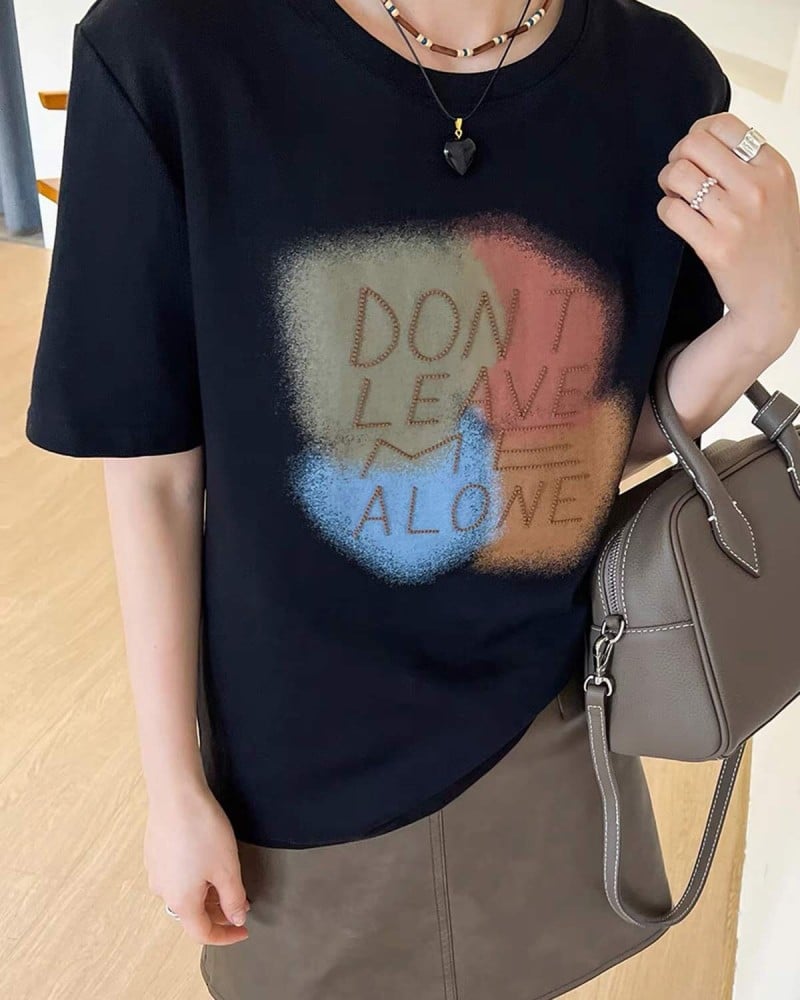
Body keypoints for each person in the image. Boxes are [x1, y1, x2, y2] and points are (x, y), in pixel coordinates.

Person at [24, 0, 800, 996]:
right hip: (299, 757)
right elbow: (155, 475)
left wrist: (759, 324)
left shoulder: (660, 78)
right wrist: (173, 785)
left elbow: (598, 432)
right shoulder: (169, 49)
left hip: (551, 711)